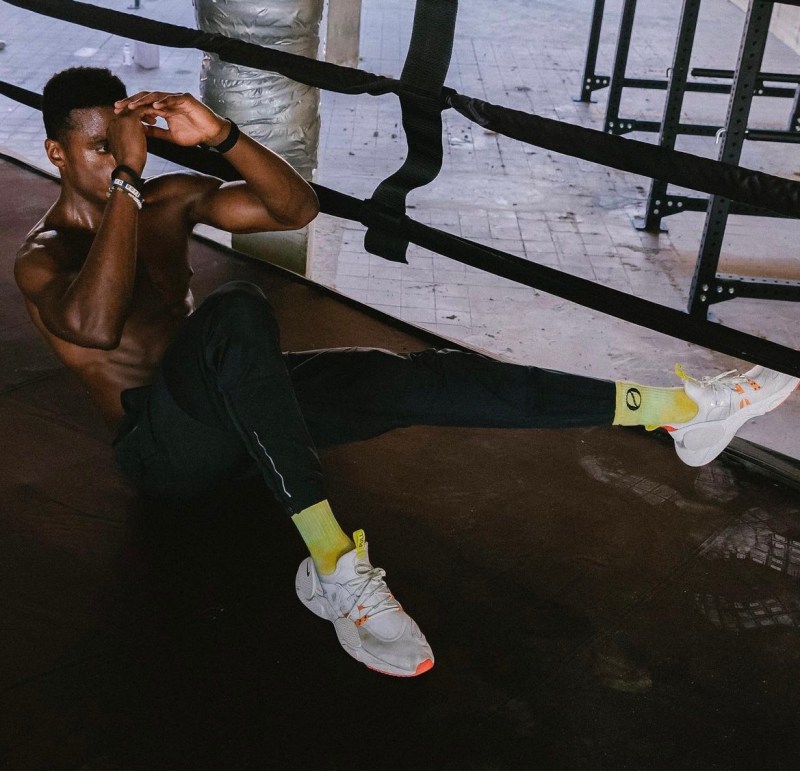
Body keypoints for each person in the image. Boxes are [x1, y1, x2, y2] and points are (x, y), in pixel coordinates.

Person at [14, 67, 798, 678]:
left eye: (125, 143)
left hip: (238, 413)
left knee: (417, 377)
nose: (126, 158)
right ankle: (332, 567)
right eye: (101, 148)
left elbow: (295, 209)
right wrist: (124, 178)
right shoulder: (41, 256)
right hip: (166, 449)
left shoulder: (169, 200)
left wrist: (222, 134)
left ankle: (676, 408)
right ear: (57, 151)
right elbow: (96, 323)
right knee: (235, 308)